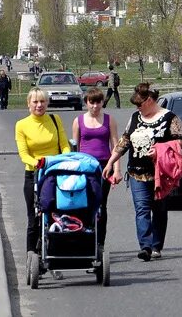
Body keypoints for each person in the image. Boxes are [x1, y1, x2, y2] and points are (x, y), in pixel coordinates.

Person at [102, 83, 182, 262]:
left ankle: (156, 246)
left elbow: (180, 142)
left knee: (160, 210)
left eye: (139, 104)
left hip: (161, 174)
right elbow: (124, 142)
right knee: (142, 209)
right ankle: (145, 247)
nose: (137, 108)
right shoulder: (135, 117)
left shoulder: (169, 118)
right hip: (136, 174)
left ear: (149, 100)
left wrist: (160, 150)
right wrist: (111, 163)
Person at [15, 88, 70, 256]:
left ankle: (56, 251)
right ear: (29, 104)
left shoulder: (55, 119)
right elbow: (24, 154)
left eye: (42, 101)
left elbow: (64, 145)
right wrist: (37, 163)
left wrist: (65, 158)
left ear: (47, 103)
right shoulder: (22, 125)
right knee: (34, 218)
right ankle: (31, 254)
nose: (39, 105)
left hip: (54, 173)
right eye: (35, 102)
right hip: (34, 174)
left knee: (57, 214)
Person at [72, 88, 120, 251]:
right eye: (91, 102)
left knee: (101, 204)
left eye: (98, 102)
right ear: (86, 103)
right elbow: (75, 148)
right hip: (84, 167)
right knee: (83, 204)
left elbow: (116, 146)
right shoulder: (78, 121)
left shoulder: (109, 120)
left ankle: (100, 243)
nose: (95, 106)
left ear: (102, 103)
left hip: (104, 166)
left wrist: (117, 169)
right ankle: (85, 239)